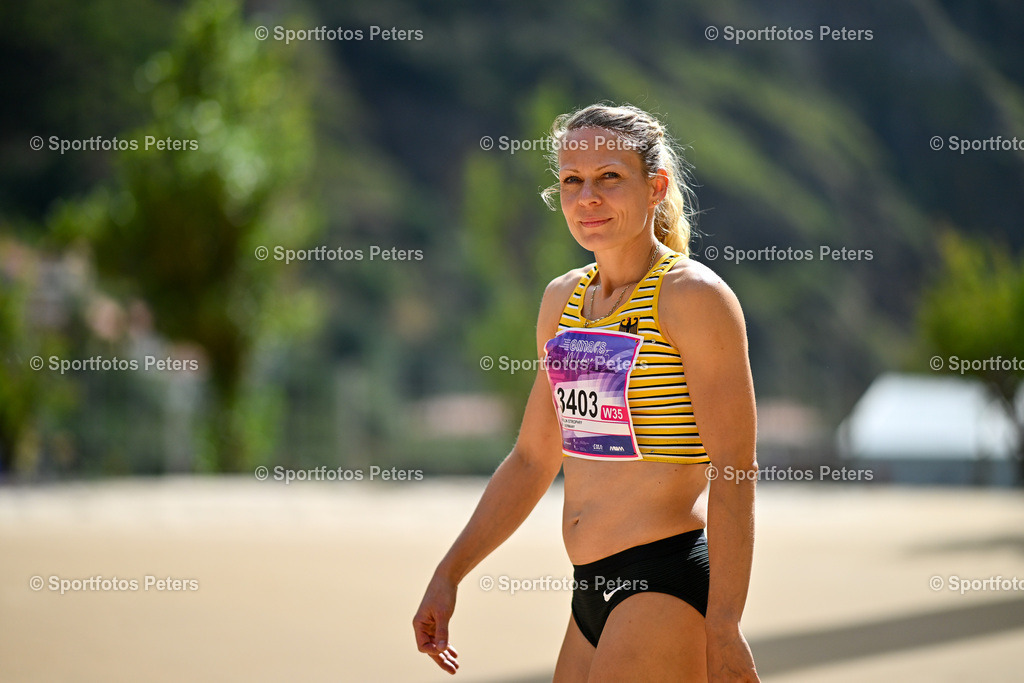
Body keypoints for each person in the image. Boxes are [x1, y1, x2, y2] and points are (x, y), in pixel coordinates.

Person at [413, 103, 759, 682]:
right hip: (589, 592)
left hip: (662, 584)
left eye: (609, 178)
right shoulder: (563, 301)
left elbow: (735, 468)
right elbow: (531, 458)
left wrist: (724, 625)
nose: (587, 197)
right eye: (572, 181)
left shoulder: (692, 298)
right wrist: (449, 573)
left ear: (656, 188)